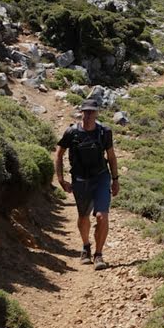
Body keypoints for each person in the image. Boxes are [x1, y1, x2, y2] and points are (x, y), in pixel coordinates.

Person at [54, 97, 120, 268]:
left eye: (92, 112)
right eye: (86, 112)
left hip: (101, 177)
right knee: (83, 217)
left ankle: (99, 255)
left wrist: (115, 180)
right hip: (80, 180)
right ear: (81, 113)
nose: (89, 115)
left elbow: (111, 157)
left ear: (97, 113)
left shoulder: (104, 132)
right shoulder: (71, 133)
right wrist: (61, 179)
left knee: (101, 216)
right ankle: (86, 247)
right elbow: (59, 155)